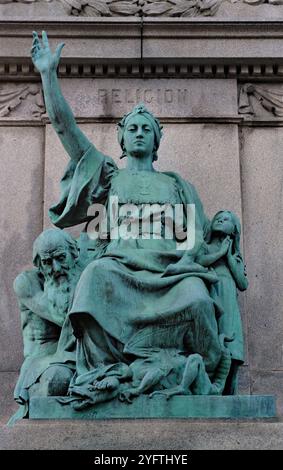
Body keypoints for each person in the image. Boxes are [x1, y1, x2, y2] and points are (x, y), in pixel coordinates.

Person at [30, 31, 226, 404]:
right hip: (120, 268)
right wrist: (47, 77)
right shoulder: (109, 177)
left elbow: (196, 236)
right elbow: (66, 130)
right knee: (92, 279)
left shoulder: (177, 183)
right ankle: (107, 371)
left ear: (156, 141)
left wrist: (184, 261)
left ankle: (209, 370)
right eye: (132, 129)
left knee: (199, 300)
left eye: (146, 130)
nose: (138, 133)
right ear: (121, 140)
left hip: (171, 271)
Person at [11, 229, 82, 421]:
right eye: (47, 262)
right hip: (43, 359)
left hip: (79, 352)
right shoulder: (27, 283)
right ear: (38, 264)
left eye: (61, 258)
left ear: (75, 255)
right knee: (58, 382)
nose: (56, 268)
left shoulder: (78, 275)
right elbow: (64, 317)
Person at [196, 210, 248, 393]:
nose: (219, 220)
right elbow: (200, 261)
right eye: (217, 218)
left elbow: (242, 283)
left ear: (234, 230)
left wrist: (228, 256)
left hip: (228, 301)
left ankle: (229, 391)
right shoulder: (206, 247)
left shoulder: (235, 257)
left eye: (225, 219)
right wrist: (219, 252)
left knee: (231, 340)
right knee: (212, 336)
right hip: (211, 293)